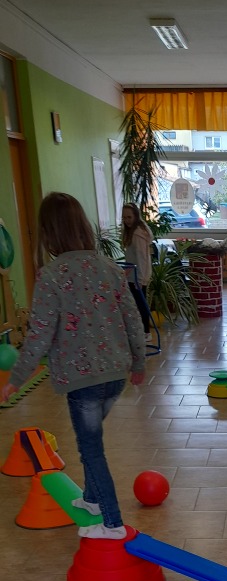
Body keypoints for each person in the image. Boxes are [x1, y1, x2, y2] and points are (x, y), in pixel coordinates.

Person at [1, 192, 146, 538]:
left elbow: (39, 334)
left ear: (49, 233)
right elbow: (133, 319)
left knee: (91, 448)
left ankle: (111, 524)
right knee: (90, 438)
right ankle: (93, 499)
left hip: (83, 382)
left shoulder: (51, 275)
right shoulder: (109, 268)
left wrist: (16, 379)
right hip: (115, 376)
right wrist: (139, 362)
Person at [121, 203, 153, 343]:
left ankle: (146, 332)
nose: (126, 220)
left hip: (138, 276)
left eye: (129, 217)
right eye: (124, 217)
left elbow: (142, 258)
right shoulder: (131, 232)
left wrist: (139, 280)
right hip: (132, 274)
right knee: (136, 304)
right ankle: (140, 331)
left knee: (140, 304)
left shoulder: (138, 234)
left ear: (135, 216)